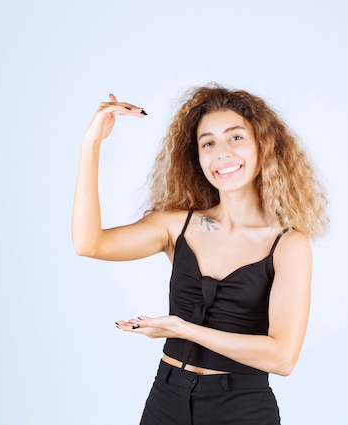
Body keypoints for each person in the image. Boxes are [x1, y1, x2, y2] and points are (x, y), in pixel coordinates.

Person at [72, 85, 328, 425]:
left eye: (235, 138)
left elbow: (282, 358)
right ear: (197, 156)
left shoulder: (288, 244)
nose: (221, 152)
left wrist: (183, 329)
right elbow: (88, 243)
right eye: (208, 142)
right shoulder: (176, 226)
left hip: (241, 409)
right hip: (166, 398)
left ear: (262, 145)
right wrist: (92, 144)